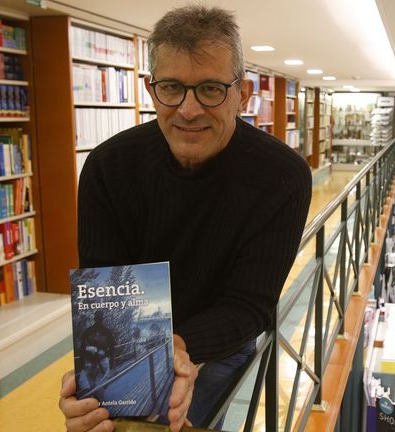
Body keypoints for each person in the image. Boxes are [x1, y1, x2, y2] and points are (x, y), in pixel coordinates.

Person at [59, 6, 312, 432]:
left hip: (221, 342)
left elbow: (250, 304)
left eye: (211, 89)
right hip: (132, 343)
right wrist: (107, 384)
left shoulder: (282, 176)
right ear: (150, 89)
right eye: (172, 87)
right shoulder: (108, 166)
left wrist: (178, 349)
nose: (188, 110)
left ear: (242, 93)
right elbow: (105, 293)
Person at [77, 310, 116, 399]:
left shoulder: (87, 331)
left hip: (90, 361)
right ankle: (98, 399)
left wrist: (82, 363)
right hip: (101, 361)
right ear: (102, 319)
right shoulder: (107, 332)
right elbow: (112, 348)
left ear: (94, 318)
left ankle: (94, 399)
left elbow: (81, 348)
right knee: (102, 383)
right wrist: (111, 361)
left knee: (89, 382)